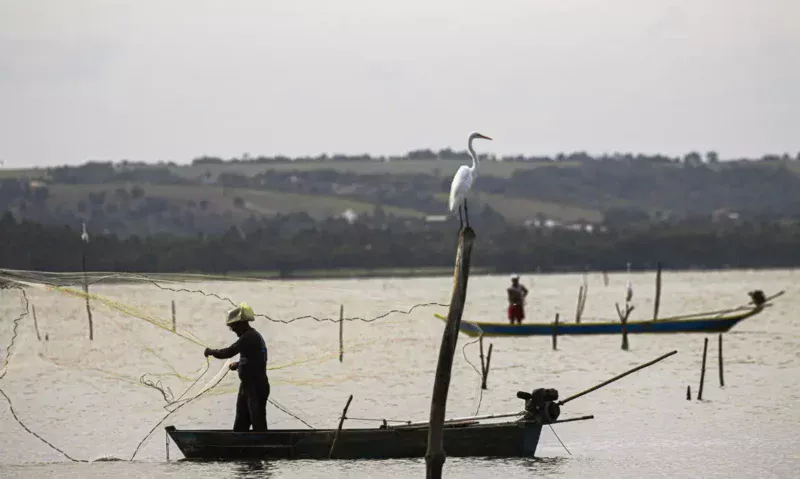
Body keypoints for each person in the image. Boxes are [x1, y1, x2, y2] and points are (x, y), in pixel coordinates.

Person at [204, 302, 270, 432]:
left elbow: (229, 352)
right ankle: (240, 446)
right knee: (241, 423)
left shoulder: (249, 337)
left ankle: (264, 448)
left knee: (258, 422)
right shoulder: (250, 337)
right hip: (247, 386)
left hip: (256, 387)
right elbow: (255, 359)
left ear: (241, 324)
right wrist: (239, 365)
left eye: (233, 327)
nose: (232, 330)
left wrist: (211, 352)